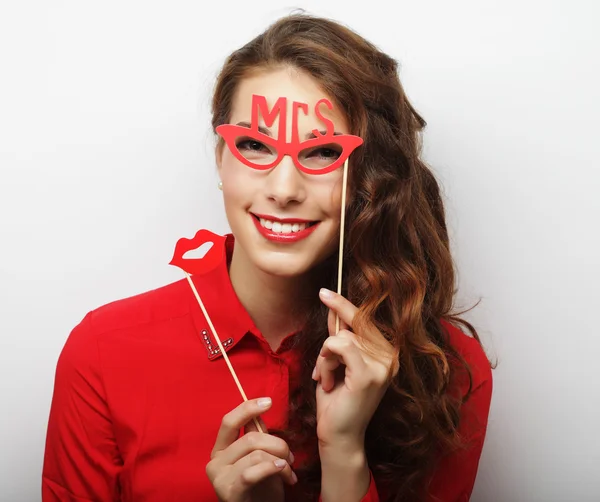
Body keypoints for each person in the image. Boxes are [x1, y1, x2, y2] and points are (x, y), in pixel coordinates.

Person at [42, 12, 493, 502]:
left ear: (370, 178)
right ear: (221, 158)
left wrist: (344, 453)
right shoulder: (104, 354)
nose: (283, 189)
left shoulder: (443, 368)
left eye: (321, 153)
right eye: (255, 145)